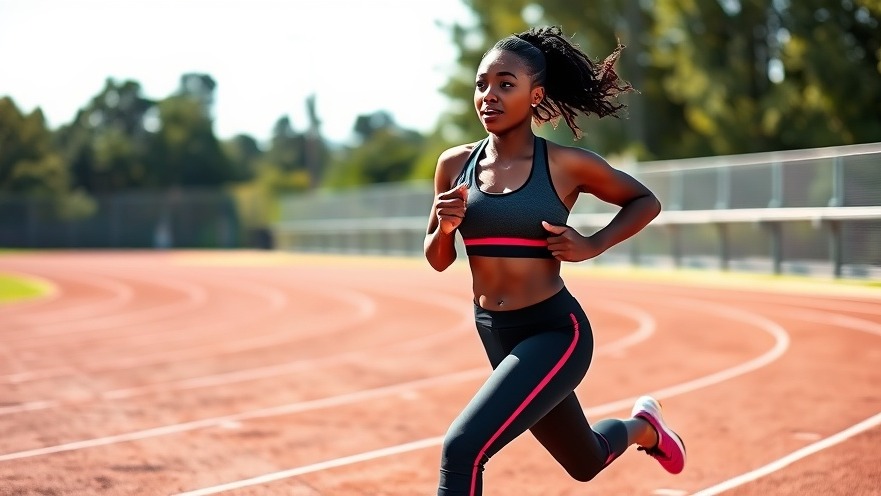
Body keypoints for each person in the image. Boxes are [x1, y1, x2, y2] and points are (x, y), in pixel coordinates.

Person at [423, 26, 686, 495]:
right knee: (585, 460)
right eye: (482, 84)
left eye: (506, 84)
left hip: (555, 332)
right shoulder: (454, 165)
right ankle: (645, 428)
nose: (489, 95)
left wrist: (592, 244)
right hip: (494, 331)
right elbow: (438, 260)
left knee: (462, 449)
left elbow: (645, 200)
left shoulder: (565, 165)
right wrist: (444, 229)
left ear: (535, 95)